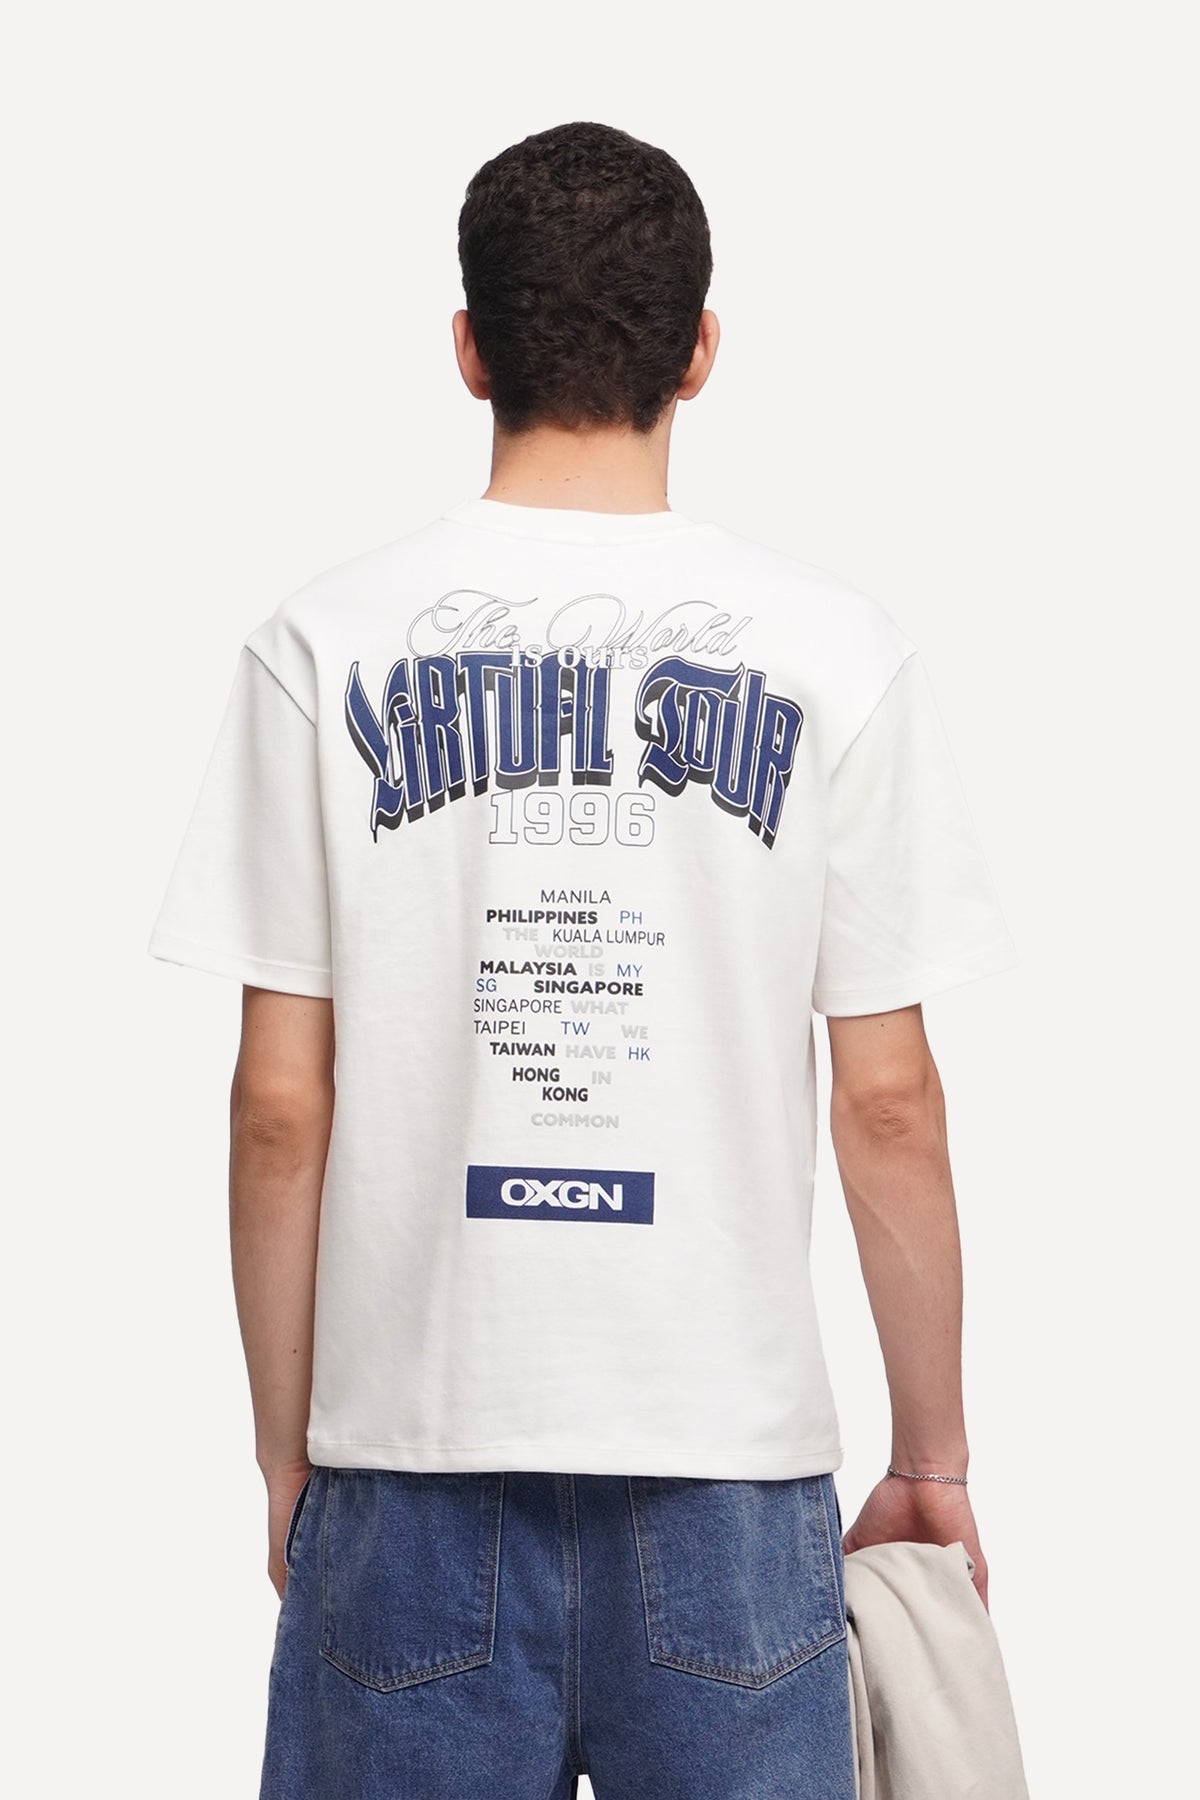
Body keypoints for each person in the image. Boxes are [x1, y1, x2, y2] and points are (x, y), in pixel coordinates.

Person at [148, 120, 1019, 1800]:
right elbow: (890, 1104)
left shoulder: (323, 644)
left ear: (469, 347)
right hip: (729, 1477)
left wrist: (290, 1447)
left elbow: (278, 1107)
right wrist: (936, 1454)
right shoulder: (836, 652)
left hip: (408, 1454)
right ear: (702, 351)